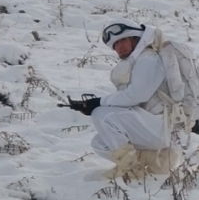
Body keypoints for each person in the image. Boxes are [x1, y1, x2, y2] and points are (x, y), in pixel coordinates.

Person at [69, 18, 179, 180]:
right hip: (155, 127)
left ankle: (133, 170)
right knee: (100, 142)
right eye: (115, 45)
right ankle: (156, 163)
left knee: (102, 115)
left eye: (123, 40)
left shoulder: (148, 59)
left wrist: (97, 103)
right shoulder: (140, 60)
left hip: (163, 127)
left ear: (135, 38)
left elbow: (137, 95)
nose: (119, 47)